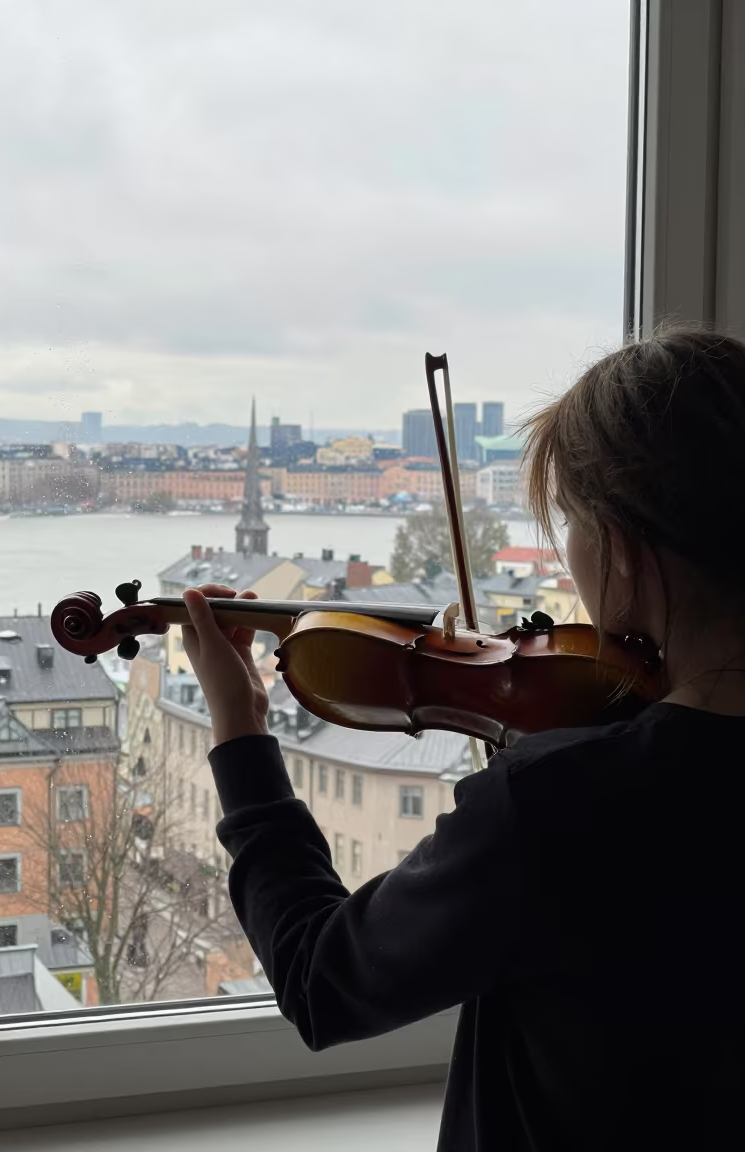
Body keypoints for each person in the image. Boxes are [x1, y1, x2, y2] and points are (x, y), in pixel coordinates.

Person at [180, 326, 744, 1151]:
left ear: (622, 549)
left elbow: (319, 980)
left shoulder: (561, 804)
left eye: (574, 525)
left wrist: (240, 732)